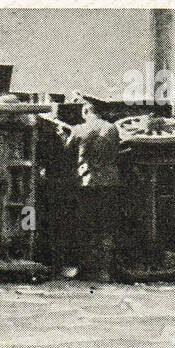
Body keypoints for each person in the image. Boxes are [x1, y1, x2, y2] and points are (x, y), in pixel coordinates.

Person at [57, 95, 124, 282]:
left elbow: (66, 150)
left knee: (85, 225)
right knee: (106, 225)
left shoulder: (79, 129)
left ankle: (84, 268)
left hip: (87, 183)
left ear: (86, 111)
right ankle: (104, 270)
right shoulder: (112, 128)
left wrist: (62, 134)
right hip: (110, 182)